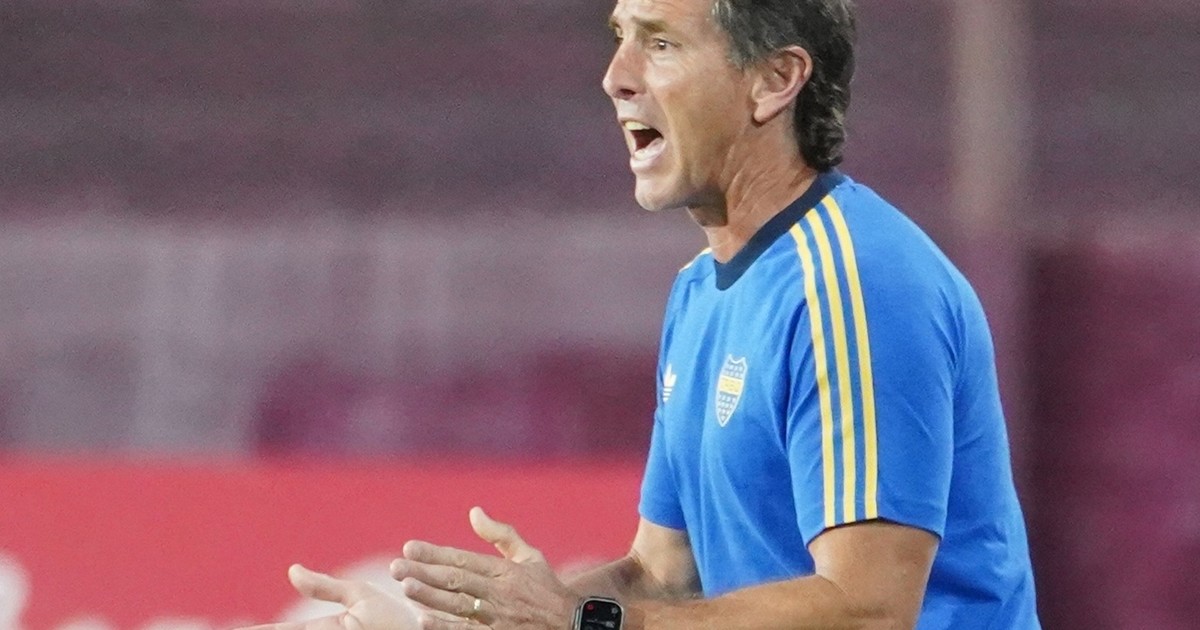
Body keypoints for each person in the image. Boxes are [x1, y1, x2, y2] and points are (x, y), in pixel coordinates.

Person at [244, 0, 1040, 628]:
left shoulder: (856, 286)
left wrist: (584, 622)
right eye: (619, 37)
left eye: (660, 43)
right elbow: (663, 574)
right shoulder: (702, 290)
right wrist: (473, 622)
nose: (616, 76)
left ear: (775, 80)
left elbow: (868, 608)